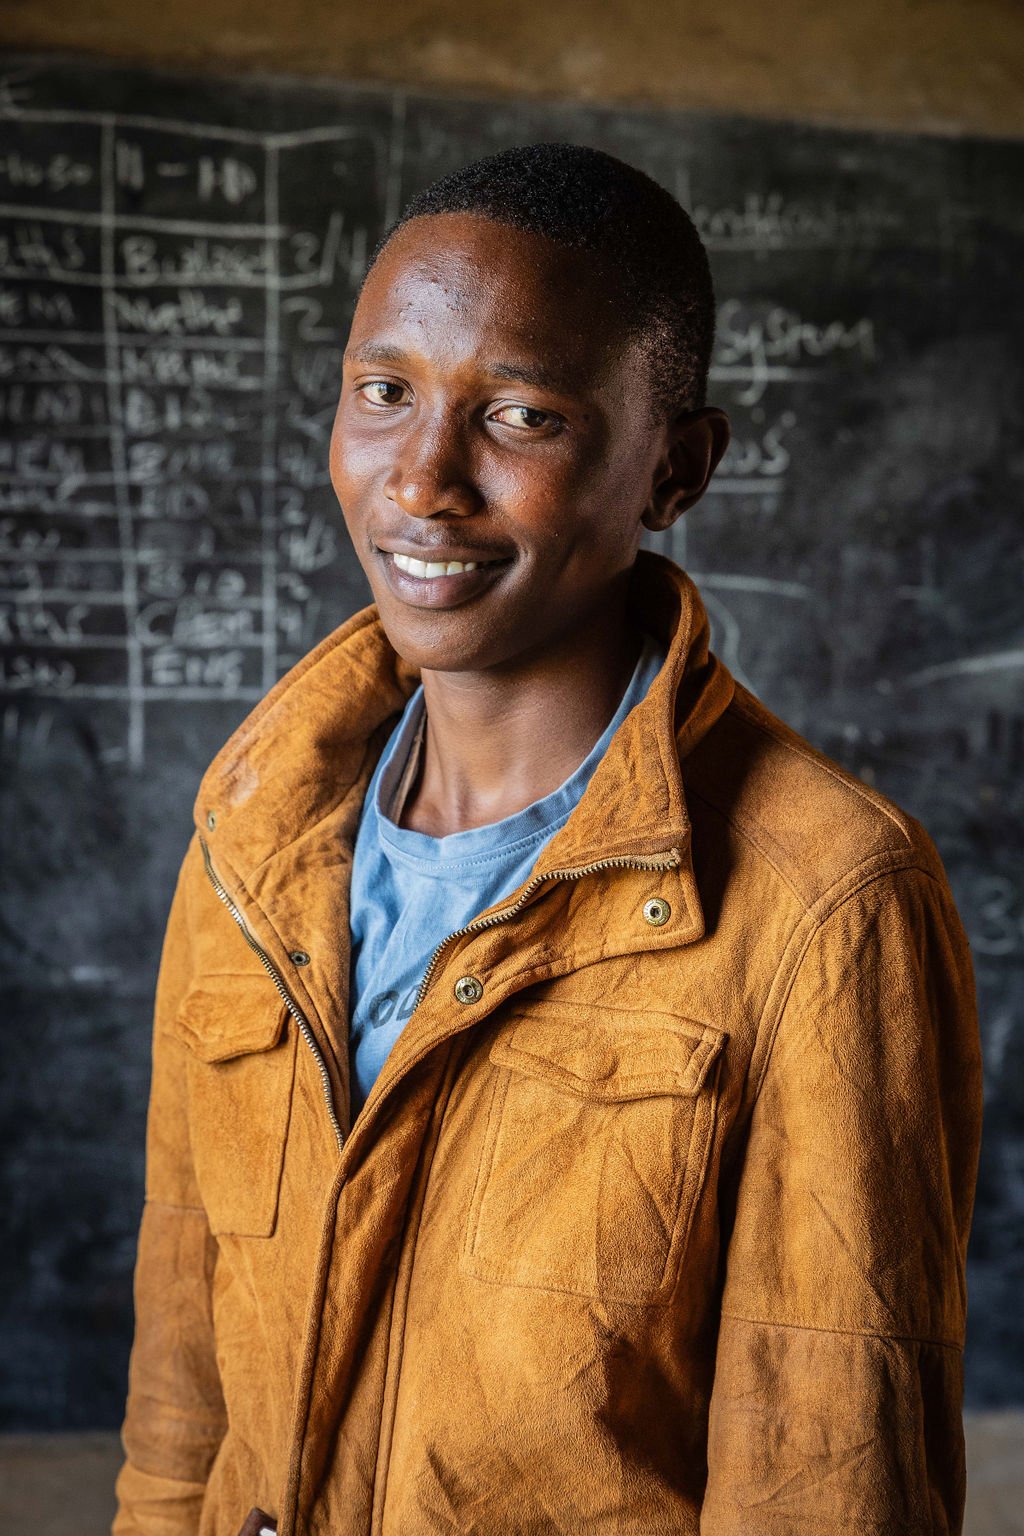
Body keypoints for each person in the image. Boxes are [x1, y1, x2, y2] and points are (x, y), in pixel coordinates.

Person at [113, 143, 983, 1536]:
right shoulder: (253, 837)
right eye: (384, 394)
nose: (423, 480)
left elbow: (828, 1487)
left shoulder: (828, 900)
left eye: (520, 417)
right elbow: (180, 1407)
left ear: (674, 468)